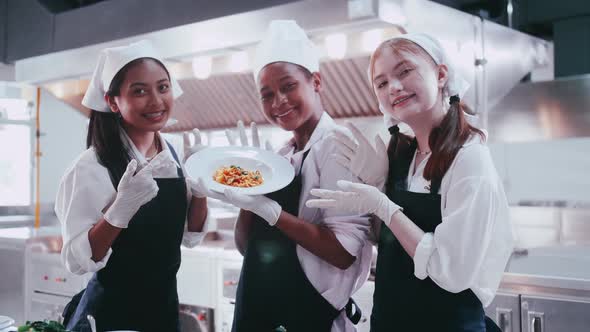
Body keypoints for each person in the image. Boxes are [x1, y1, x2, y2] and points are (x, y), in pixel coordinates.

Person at [306, 33, 514, 331]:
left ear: (441, 75)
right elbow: (388, 242)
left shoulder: (469, 159)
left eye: (404, 71)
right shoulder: (403, 156)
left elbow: (451, 271)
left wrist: (385, 207)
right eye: (381, 83)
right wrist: (378, 187)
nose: (394, 87)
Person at [195, 20, 372, 332]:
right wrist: (248, 200)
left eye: (288, 86)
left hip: (308, 318)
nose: (278, 102)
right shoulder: (282, 155)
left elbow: (343, 253)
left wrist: (274, 214)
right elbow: (248, 247)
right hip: (262, 313)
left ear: (315, 81)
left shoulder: (338, 147)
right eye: (267, 94)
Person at [55, 40, 209, 332]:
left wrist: (200, 190)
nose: (156, 101)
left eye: (163, 88)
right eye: (139, 91)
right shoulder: (91, 167)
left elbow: (191, 236)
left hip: (162, 314)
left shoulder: (174, 154)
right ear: (113, 101)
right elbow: (77, 260)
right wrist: (118, 212)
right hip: (110, 319)